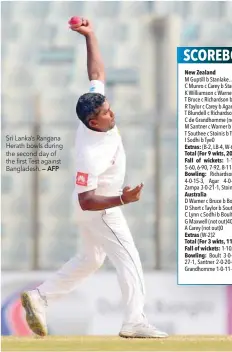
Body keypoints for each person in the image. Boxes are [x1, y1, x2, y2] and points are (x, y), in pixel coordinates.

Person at [21, 18, 168, 339]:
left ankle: (41, 296)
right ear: (92, 120)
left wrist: (90, 35)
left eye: (109, 107)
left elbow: (97, 74)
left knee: (91, 259)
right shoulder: (92, 150)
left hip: (93, 206)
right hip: (99, 208)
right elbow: (87, 200)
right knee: (129, 258)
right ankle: (134, 321)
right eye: (106, 113)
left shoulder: (94, 113)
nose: (112, 113)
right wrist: (121, 200)